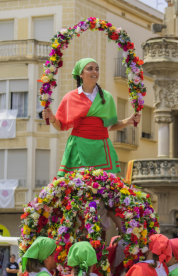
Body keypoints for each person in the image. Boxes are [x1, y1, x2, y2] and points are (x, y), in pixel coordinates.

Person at [42, 58, 140, 235]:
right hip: (79, 146)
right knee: (79, 192)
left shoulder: (107, 97)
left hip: (101, 147)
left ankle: (115, 229)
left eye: (97, 68)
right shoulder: (70, 97)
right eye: (90, 69)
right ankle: (77, 230)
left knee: (105, 194)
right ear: (81, 74)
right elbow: (61, 125)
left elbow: (110, 125)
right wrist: (51, 117)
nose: (95, 71)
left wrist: (128, 121)